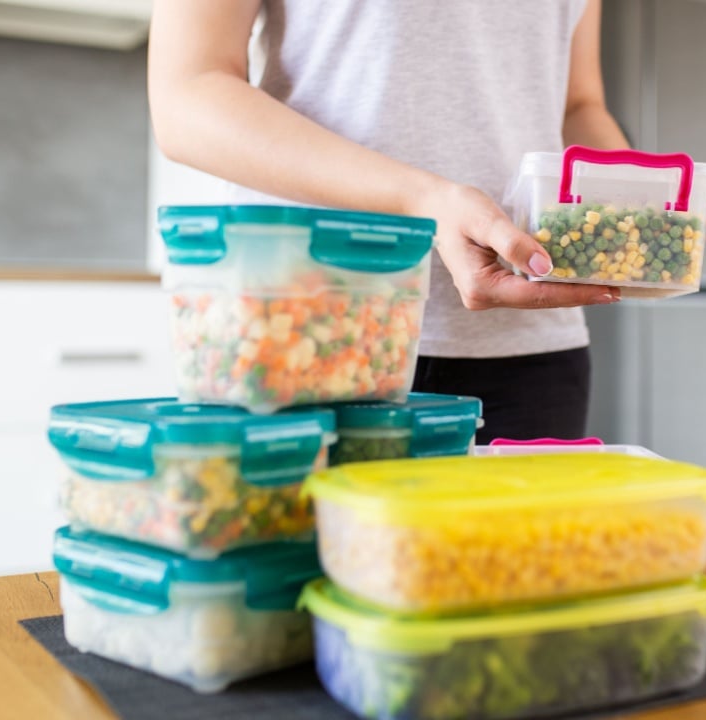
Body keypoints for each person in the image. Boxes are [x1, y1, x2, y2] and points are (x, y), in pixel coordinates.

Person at [149, 1, 630, 442]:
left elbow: (575, 105)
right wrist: (425, 200)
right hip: (310, 322)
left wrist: (641, 199)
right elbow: (186, 92)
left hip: (529, 349)